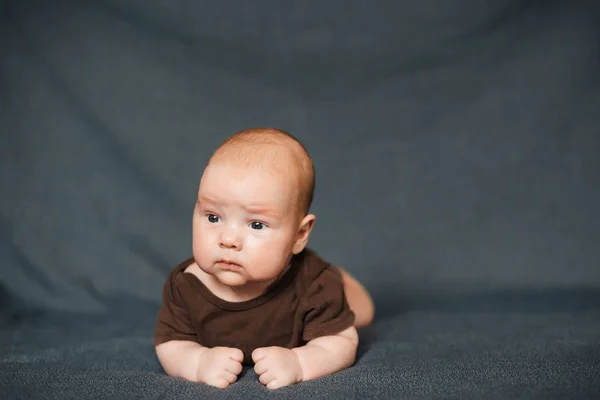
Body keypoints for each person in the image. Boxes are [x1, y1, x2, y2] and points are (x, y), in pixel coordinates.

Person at [153, 128, 375, 390]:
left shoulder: (317, 285)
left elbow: (341, 342)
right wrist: (198, 361)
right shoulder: (185, 285)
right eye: (213, 217)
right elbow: (170, 343)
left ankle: (344, 279)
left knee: (362, 312)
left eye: (256, 225)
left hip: (326, 286)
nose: (228, 239)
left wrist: (299, 362)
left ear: (299, 235)